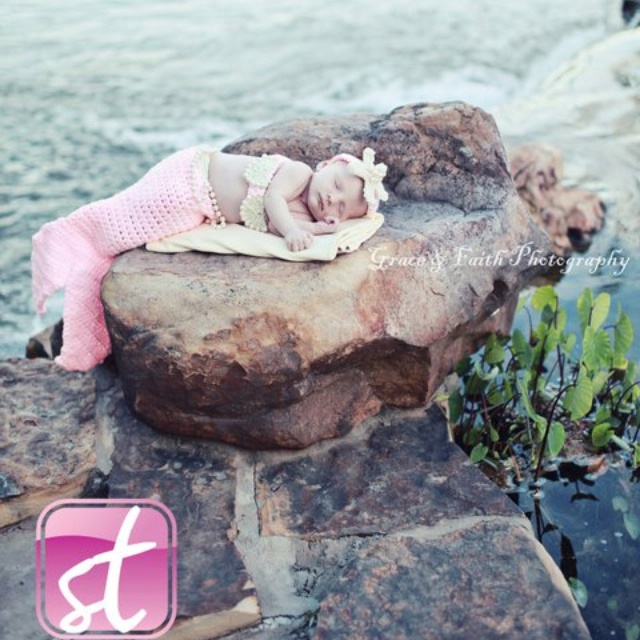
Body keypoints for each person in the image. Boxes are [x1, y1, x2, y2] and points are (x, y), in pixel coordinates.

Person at [31, 145, 389, 372]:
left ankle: (85, 264)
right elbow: (272, 203)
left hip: (200, 207)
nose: (332, 199)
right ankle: (71, 237)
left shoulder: (304, 215)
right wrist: (296, 233)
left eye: (342, 208)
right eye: (337, 186)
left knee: (124, 242)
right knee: (114, 226)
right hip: (189, 180)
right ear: (324, 164)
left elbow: (291, 227)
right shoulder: (298, 174)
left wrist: (324, 230)